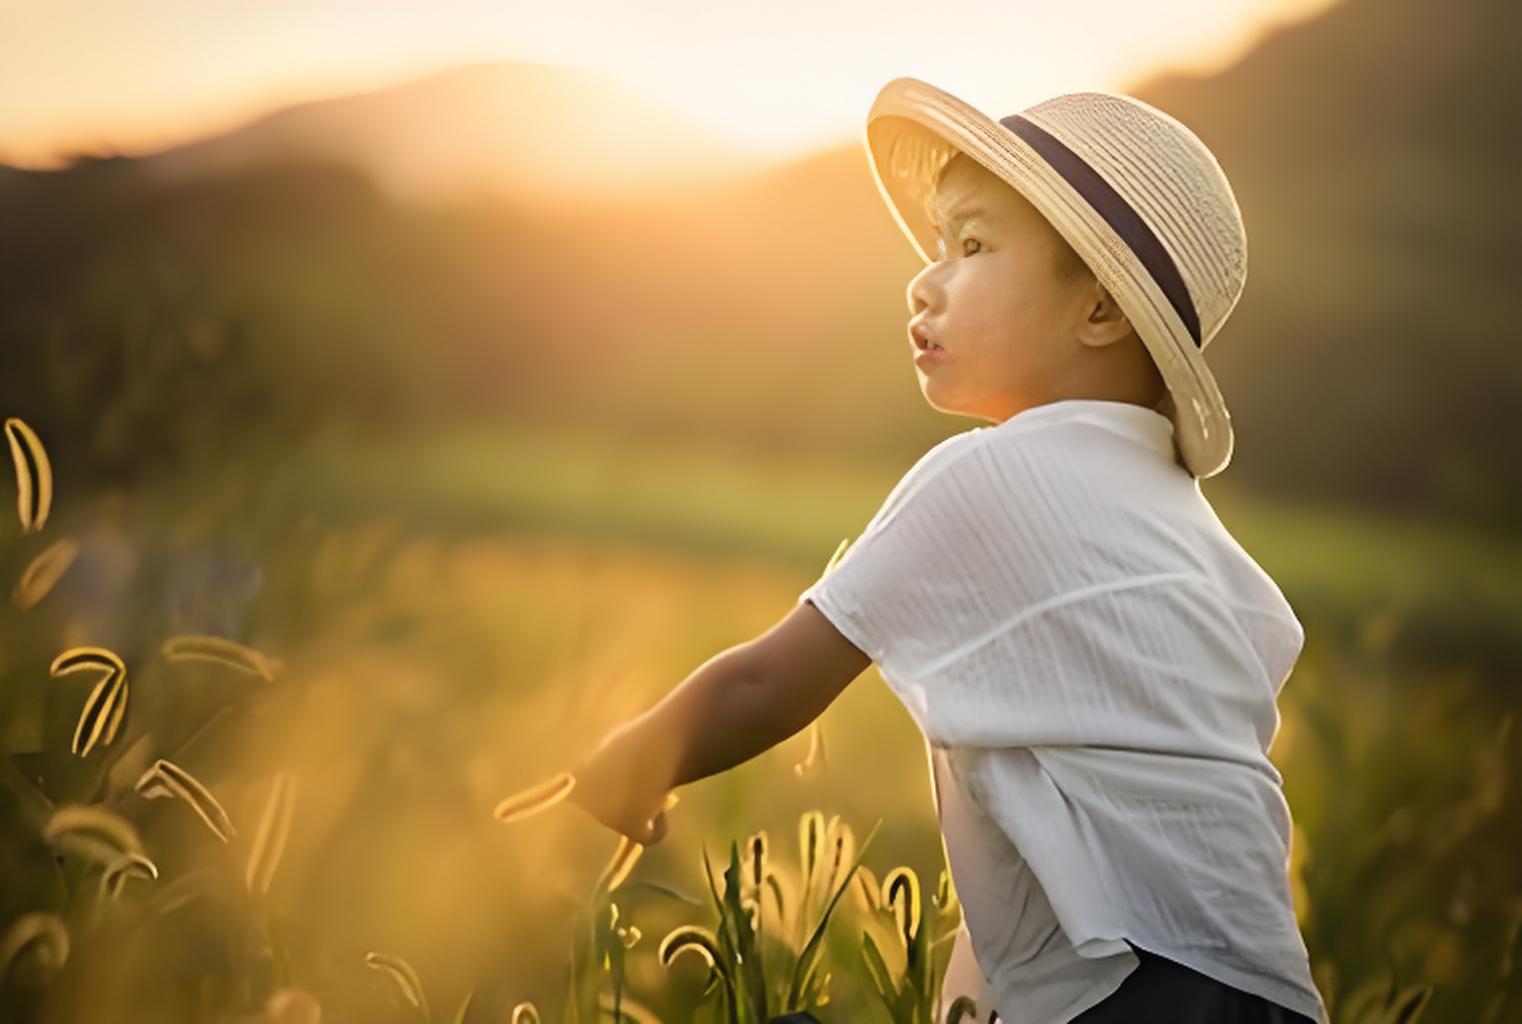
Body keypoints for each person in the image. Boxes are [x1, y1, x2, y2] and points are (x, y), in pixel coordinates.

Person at [566, 79, 1328, 1024]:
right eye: (935, 247)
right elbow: (1058, 856)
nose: (925, 280)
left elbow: (767, 684)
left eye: (970, 247)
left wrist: (631, 757)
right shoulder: (1202, 543)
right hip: (1262, 997)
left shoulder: (986, 478)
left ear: (1099, 310)